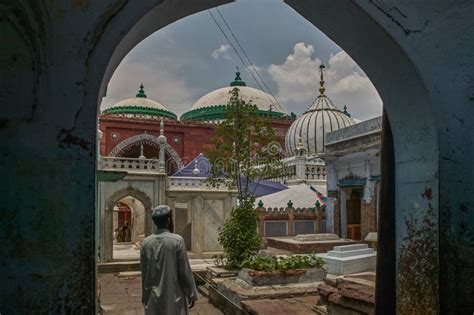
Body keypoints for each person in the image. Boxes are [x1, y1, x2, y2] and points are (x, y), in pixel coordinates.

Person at [140, 205, 198, 315]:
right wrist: (192, 294)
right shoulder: (177, 240)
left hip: (152, 298)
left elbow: (144, 273)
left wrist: (145, 296)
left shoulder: (146, 243)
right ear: (168, 220)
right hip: (173, 296)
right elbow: (184, 271)